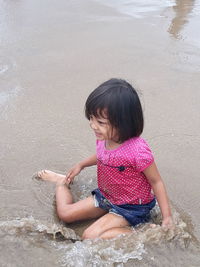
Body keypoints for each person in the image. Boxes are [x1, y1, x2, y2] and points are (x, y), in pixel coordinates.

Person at [37, 78, 173, 240]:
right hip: (107, 196)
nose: (93, 125)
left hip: (131, 207)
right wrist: (82, 165)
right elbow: (103, 156)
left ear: (123, 123)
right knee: (65, 214)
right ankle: (61, 182)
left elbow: (156, 181)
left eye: (100, 122)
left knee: (90, 236)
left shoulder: (137, 151)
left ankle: (145, 233)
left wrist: (167, 217)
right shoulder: (105, 138)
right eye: (91, 118)